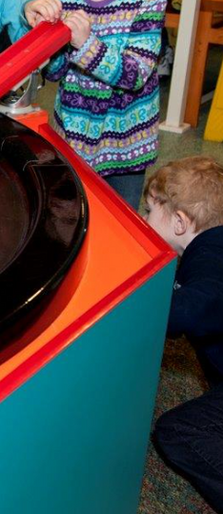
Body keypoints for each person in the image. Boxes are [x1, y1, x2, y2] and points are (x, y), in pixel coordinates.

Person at [24, 0, 166, 207]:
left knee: (120, 227)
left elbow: (134, 76)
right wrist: (48, 44)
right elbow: (58, 73)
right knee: (69, 215)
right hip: (71, 137)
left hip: (125, 148)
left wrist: (87, 43)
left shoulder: (147, 1)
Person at [144, 156, 223, 512]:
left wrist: (138, 311)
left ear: (179, 222)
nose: (145, 220)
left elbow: (193, 307)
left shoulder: (208, 260)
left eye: (149, 210)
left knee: (178, 433)